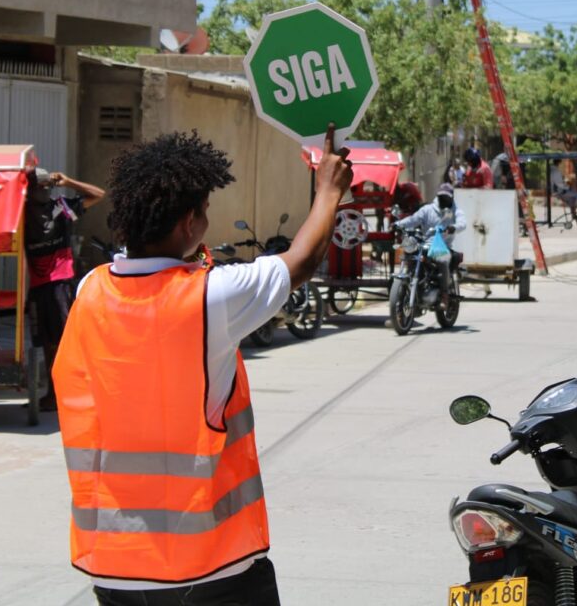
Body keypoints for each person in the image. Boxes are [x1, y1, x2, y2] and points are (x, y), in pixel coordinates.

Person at [53, 125, 353, 606]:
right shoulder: (210, 296)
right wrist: (329, 191)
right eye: (205, 212)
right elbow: (300, 262)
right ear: (187, 223)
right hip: (210, 568)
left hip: (114, 564)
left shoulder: (90, 290)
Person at [24, 167, 104, 411]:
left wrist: (68, 181)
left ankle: (70, 393)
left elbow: (98, 194)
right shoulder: (22, 212)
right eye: (41, 186)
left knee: (63, 341)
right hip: (38, 286)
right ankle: (52, 393)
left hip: (60, 283)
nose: (46, 190)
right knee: (46, 343)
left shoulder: (61, 208)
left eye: (49, 186)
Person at [394, 183, 467, 300]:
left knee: (443, 261)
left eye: (446, 197)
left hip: (442, 246)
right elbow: (413, 219)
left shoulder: (455, 211)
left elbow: (462, 223)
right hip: (424, 244)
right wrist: (398, 224)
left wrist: (454, 227)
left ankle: (444, 294)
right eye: (441, 196)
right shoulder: (428, 209)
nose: (443, 199)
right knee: (410, 257)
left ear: (451, 198)